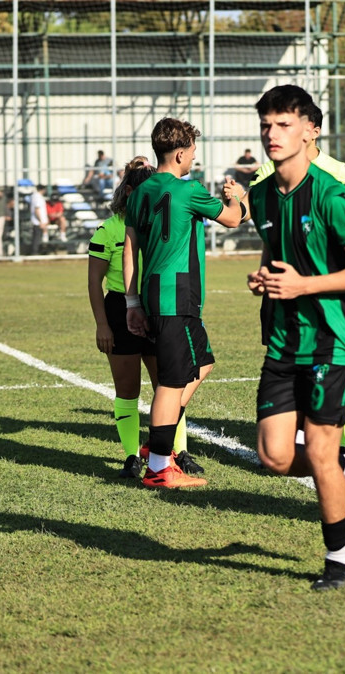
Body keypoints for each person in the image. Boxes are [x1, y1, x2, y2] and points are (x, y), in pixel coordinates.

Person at [246, 84, 345, 590]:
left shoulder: (331, 194)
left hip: (333, 340)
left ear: (310, 131)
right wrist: (263, 278)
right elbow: (275, 253)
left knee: (321, 450)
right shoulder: (261, 194)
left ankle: (339, 562)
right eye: (266, 125)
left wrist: (303, 285)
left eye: (284, 124)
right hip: (285, 341)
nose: (272, 134)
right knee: (274, 456)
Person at [123, 118, 248, 489]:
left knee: (202, 364)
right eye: (192, 151)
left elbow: (130, 248)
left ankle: (158, 442)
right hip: (177, 295)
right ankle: (160, 467)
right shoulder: (189, 189)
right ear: (179, 154)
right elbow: (233, 220)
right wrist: (239, 197)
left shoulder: (140, 192)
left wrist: (132, 301)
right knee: (172, 382)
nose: (194, 157)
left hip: (155, 292)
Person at [88, 156, 204, 478]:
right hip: (120, 311)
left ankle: (177, 452)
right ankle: (131, 457)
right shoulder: (108, 230)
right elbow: (94, 282)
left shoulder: (159, 223)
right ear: (129, 193)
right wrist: (102, 324)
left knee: (169, 384)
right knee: (128, 390)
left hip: (157, 307)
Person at [29, 184, 49, 254]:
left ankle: (36, 252)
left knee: (38, 237)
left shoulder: (35, 196)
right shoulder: (37, 197)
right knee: (37, 238)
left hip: (38, 221)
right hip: (38, 221)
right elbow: (37, 209)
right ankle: (35, 252)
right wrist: (41, 221)